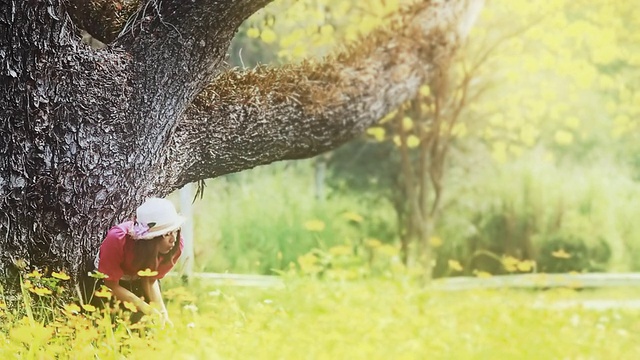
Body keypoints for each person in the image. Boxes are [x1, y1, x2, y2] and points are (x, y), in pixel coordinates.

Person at [86, 197, 185, 326]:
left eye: (175, 231)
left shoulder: (176, 246)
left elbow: (150, 279)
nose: (173, 239)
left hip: (139, 280)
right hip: (108, 283)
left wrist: (162, 313)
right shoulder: (117, 240)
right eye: (166, 234)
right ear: (150, 239)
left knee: (153, 324)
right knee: (124, 322)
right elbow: (111, 284)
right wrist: (146, 309)